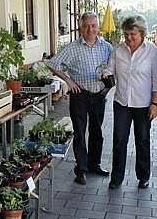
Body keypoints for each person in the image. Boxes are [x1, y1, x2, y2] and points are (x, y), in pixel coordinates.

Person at [47, 11, 113, 185]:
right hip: (80, 96)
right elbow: (52, 63)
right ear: (80, 28)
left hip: (99, 95)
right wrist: (68, 80)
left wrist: (109, 85)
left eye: (93, 25)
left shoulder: (106, 47)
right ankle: (81, 170)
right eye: (86, 26)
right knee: (80, 134)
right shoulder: (72, 48)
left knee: (97, 132)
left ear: (98, 27)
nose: (90, 29)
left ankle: (94, 165)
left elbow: (115, 66)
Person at [102, 15, 157, 190]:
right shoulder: (118, 50)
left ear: (141, 33)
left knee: (142, 140)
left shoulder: (152, 51)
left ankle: (143, 176)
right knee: (119, 140)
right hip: (122, 102)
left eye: (132, 34)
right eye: (126, 34)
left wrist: (154, 104)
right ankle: (116, 177)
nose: (128, 37)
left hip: (143, 104)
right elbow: (110, 69)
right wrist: (105, 75)